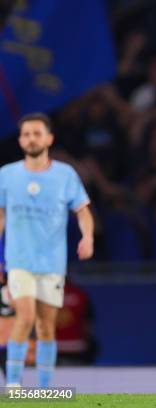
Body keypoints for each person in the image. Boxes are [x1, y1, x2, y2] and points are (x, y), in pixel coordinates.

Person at [0, 113, 94, 387]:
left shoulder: (65, 175)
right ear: (20, 140)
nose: (31, 138)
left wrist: (87, 236)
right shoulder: (7, 175)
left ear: (49, 138)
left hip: (52, 263)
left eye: (37, 133)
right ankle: (14, 385)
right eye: (27, 134)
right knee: (25, 317)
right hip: (18, 262)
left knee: (45, 327)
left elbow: (83, 210)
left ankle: (44, 389)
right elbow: (1, 218)